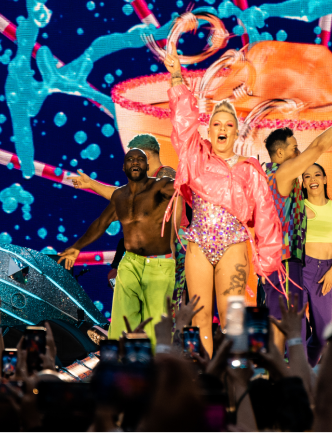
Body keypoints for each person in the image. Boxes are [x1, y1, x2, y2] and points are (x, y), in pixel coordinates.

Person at [161, 52, 284, 357]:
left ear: (236, 130)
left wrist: (268, 262)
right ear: (210, 128)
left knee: (233, 318)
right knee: (200, 316)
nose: (222, 129)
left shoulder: (249, 168)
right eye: (216, 123)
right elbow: (183, 125)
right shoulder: (196, 156)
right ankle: (206, 377)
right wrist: (177, 77)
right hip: (198, 244)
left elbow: (266, 216)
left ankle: (234, 376)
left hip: (234, 245)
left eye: (228, 124)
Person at [260, 110, 332, 353]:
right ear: (280, 153)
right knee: (283, 325)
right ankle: (279, 378)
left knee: (291, 326)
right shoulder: (281, 173)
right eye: (294, 148)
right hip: (282, 261)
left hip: (289, 261)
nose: (299, 153)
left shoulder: (285, 179)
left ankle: (291, 375)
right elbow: (317, 147)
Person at [58, 149, 177, 342]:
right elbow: (100, 223)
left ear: (147, 167)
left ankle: (158, 367)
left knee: (158, 328)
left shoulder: (161, 186)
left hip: (159, 265)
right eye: (130, 159)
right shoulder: (120, 196)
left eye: (140, 159)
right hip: (130, 263)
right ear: (123, 167)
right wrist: (77, 247)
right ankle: (118, 363)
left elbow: (180, 188)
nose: (135, 162)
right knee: (122, 321)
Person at [286, 162, 332, 364]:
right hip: (301, 268)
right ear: (302, 183)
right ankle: (300, 376)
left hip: (326, 272)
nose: (312, 180)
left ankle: (306, 368)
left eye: (317, 175)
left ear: (325, 179)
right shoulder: (298, 207)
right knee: (299, 329)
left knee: (322, 335)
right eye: (307, 177)